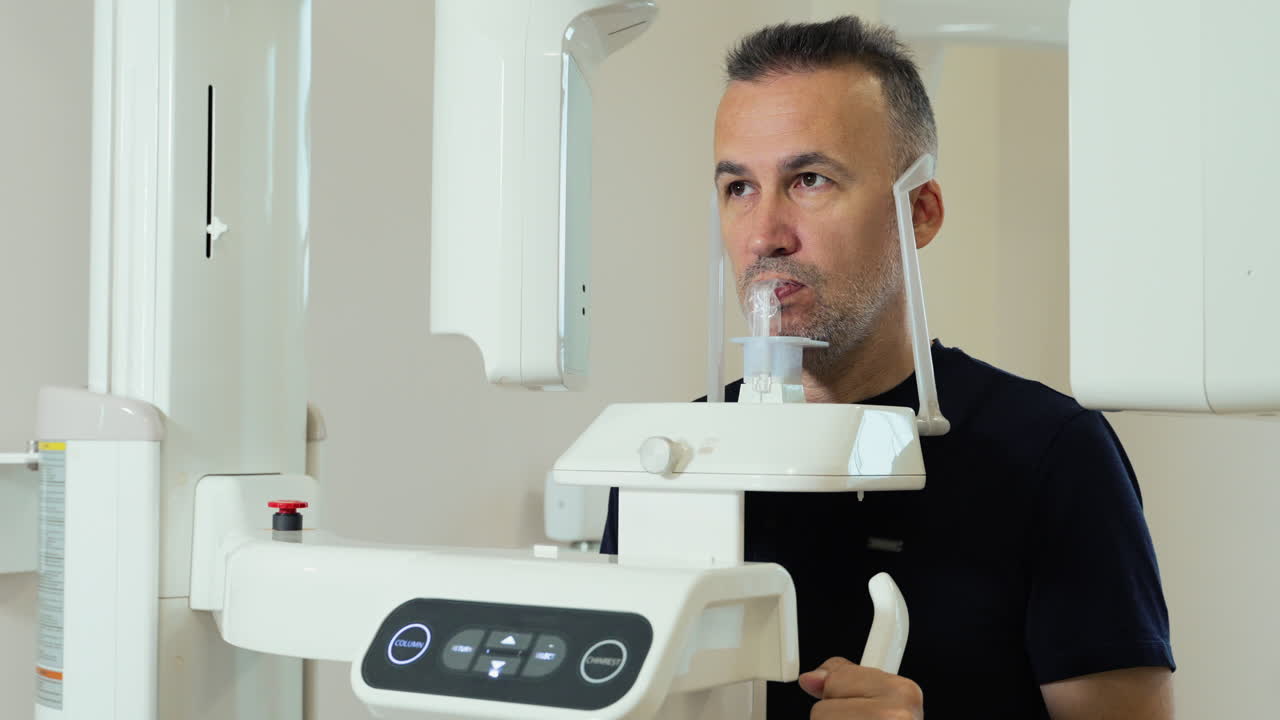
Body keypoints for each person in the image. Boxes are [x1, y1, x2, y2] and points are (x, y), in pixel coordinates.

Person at [600, 16, 1175, 719]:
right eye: (739, 188)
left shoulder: (1052, 455)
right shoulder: (669, 465)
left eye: (808, 179)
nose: (763, 236)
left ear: (921, 212)